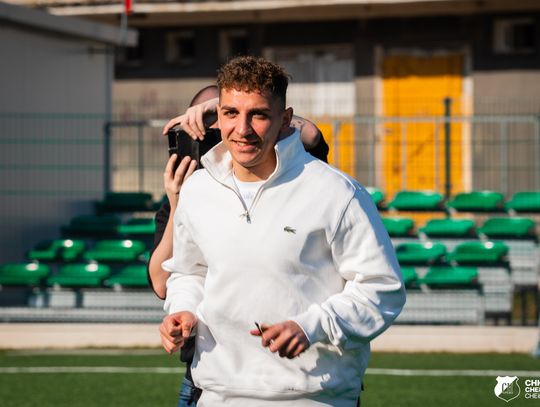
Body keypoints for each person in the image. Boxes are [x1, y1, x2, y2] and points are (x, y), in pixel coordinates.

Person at [160, 55, 405, 406]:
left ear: (285, 119)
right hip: (216, 395)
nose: (242, 129)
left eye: (258, 115)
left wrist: (311, 326)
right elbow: (189, 272)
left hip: (314, 397)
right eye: (230, 113)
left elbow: (383, 289)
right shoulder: (197, 190)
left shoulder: (336, 192)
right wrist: (184, 311)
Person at [149, 85, 331, 406]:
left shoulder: (290, 181)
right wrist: (177, 203)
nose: (233, 132)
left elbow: (311, 135)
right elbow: (163, 282)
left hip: (294, 377)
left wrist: (217, 107)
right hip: (209, 374)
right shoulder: (191, 197)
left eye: (224, 119)